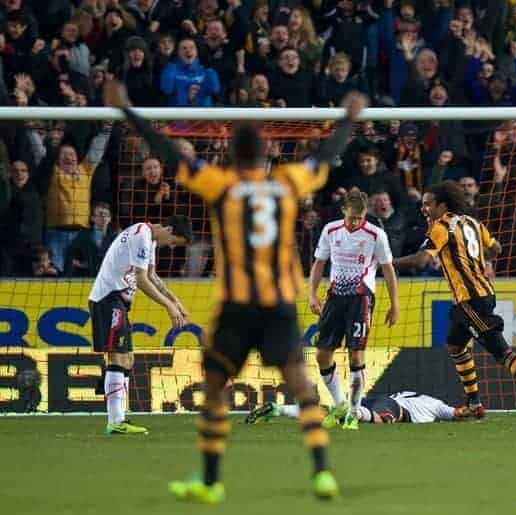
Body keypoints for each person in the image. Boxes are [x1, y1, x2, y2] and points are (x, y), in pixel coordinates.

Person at [103, 79, 368, 502]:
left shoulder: (219, 185)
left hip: (237, 307)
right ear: (265, 156)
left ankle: (210, 481)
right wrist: (348, 118)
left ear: (230, 155)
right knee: (301, 384)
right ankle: (322, 473)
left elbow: (171, 154)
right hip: (278, 302)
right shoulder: (285, 184)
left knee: (214, 388)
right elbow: (324, 156)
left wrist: (128, 110)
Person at [392, 181, 516, 423]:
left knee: (501, 353)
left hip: (470, 301)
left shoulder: (441, 226)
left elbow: (422, 260)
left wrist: (388, 263)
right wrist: (478, 262)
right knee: (455, 345)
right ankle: (474, 403)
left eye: (428, 204)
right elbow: (497, 248)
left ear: (442, 205)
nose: (424, 209)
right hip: (480, 296)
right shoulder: (473, 223)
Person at [88, 215, 192, 435]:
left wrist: (174, 300)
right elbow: (142, 280)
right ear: (168, 228)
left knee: (127, 358)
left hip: (118, 301)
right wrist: (168, 307)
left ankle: (118, 417)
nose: (171, 247)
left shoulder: (149, 238)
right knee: (120, 356)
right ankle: (115, 421)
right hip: (109, 298)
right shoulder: (142, 236)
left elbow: (152, 275)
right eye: (173, 241)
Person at [308, 188, 398, 431]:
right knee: (322, 355)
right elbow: (319, 264)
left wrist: (395, 304)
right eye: (352, 217)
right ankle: (339, 406)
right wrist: (312, 295)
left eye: (360, 217)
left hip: (361, 299)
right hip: (335, 297)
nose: (356, 222)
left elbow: (388, 270)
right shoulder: (331, 230)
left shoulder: (376, 234)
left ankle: (354, 412)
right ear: (343, 212)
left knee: (356, 356)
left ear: (365, 213)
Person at [246, 391, 475, 425]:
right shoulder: (438, 406)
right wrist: (472, 411)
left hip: (380, 398)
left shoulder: (419, 394)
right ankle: (351, 411)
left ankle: (278, 409)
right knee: (382, 419)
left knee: (332, 414)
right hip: (394, 407)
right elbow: (456, 413)